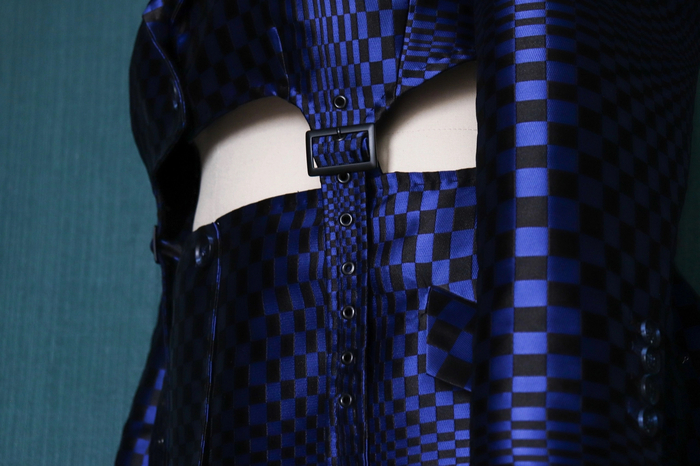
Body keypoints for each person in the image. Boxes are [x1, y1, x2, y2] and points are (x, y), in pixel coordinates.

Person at [117, 0, 700, 464]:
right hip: (233, 394)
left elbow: (556, 94)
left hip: (448, 382)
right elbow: (181, 278)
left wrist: (539, 419)